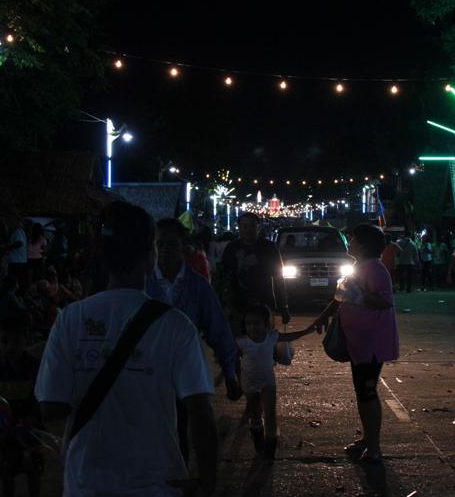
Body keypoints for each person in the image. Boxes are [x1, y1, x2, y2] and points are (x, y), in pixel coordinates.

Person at [36, 201, 218, 497]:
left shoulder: (70, 319)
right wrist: (208, 480)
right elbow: (200, 411)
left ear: (103, 258)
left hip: (86, 482)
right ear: (150, 257)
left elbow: (51, 407)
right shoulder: (175, 325)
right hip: (158, 483)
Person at [147, 218, 242, 461]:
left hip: (185, 371)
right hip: (147, 372)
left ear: (183, 247)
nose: (165, 250)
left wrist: (230, 372)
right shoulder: (142, 284)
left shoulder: (198, 286)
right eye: (160, 244)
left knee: (183, 430)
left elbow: (218, 330)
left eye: (171, 244)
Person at [316, 224, 399, 464]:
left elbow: (384, 301)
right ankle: (367, 439)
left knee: (367, 392)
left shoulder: (376, 269)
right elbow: (342, 296)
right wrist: (323, 316)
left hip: (372, 343)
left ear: (362, 245)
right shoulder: (359, 267)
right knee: (362, 392)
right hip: (359, 342)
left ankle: (374, 448)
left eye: (352, 239)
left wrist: (358, 293)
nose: (349, 242)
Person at [237, 304, 318, 459]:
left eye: (256, 323)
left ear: (265, 323)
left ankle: (269, 450)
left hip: (267, 380)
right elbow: (233, 357)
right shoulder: (242, 342)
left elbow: (289, 336)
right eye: (248, 324)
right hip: (248, 381)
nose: (252, 327)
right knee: (255, 413)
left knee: (270, 415)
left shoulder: (271, 337)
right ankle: (258, 438)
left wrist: (306, 331)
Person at [0, 316, 43, 497]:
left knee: (33, 468)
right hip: (5, 430)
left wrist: (32, 418)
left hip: (31, 428)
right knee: (7, 470)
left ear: (26, 340)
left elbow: (41, 396)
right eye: (5, 342)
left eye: (16, 341)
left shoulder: (34, 366)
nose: (11, 346)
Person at [220, 212, 290, 333]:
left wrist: (284, 306)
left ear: (258, 227)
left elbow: (278, 278)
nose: (248, 230)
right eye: (245, 226)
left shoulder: (269, 248)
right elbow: (223, 277)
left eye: (252, 226)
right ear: (239, 227)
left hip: (263, 303)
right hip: (237, 305)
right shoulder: (231, 248)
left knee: (264, 339)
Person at [6, 220, 29, 285]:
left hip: (16, 260)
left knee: (14, 280)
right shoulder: (21, 232)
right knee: (18, 280)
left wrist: (7, 247)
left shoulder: (17, 232)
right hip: (20, 261)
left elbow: (19, 243)